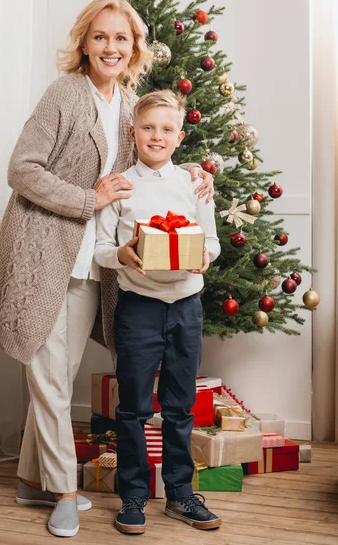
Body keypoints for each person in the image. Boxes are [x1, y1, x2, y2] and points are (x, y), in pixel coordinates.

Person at [0, 0, 214, 539]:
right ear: (84, 44)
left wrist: (183, 170)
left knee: (59, 376)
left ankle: (28, 477)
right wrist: (87, 200)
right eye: (100, 37)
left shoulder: (130, 102)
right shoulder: (65, 95)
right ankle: (64, 491)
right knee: (48, 377)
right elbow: (22, 169)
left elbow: (144, 157)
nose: (111, 47)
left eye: (121, 39)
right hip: (45, 250)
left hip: (96, 261)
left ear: (134, 48)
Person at [94, 90, 222, 535]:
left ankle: (181, 494)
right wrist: (124, 256)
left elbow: (211, 240)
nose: (157, 136)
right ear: (134, 133)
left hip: (186, 306)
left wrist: (203, 256)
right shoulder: (120, 186)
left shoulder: (194, 183)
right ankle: (133, 495)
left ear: (180, 136)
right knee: (132, 407)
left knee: (180, 406)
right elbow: (102, 249)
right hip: (139, 309)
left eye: (167, 129)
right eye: (148, 127)